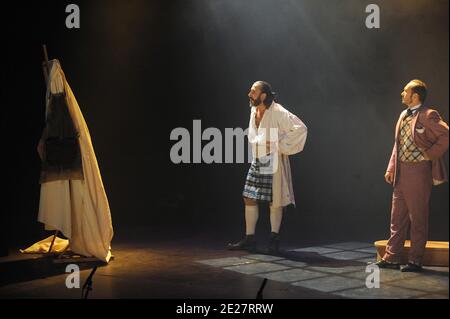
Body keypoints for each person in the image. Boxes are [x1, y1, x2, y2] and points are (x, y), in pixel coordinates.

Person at [377, 79, 449, 272]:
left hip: (419, 171)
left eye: (405, 91)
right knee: (397, 216)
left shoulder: (428, 115)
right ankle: (392, 257)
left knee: (417, 217)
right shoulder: (402, 114)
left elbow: (446, 135)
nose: (402, 93)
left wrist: (430, 154)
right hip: (401, 172)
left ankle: (415, 260)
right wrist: (391, 168)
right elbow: (397, 144)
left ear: (414, 95)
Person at [228, 81, 307, 254]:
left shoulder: (278, 111)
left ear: (263, 95)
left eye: (253, 91)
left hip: (273, 159)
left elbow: (301, 128)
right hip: (258, 158)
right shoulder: (254, 110)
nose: (249, 93)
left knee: (274, 200)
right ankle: (249, 239)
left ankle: (274, 238)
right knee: (249, 197)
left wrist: (280, 144)